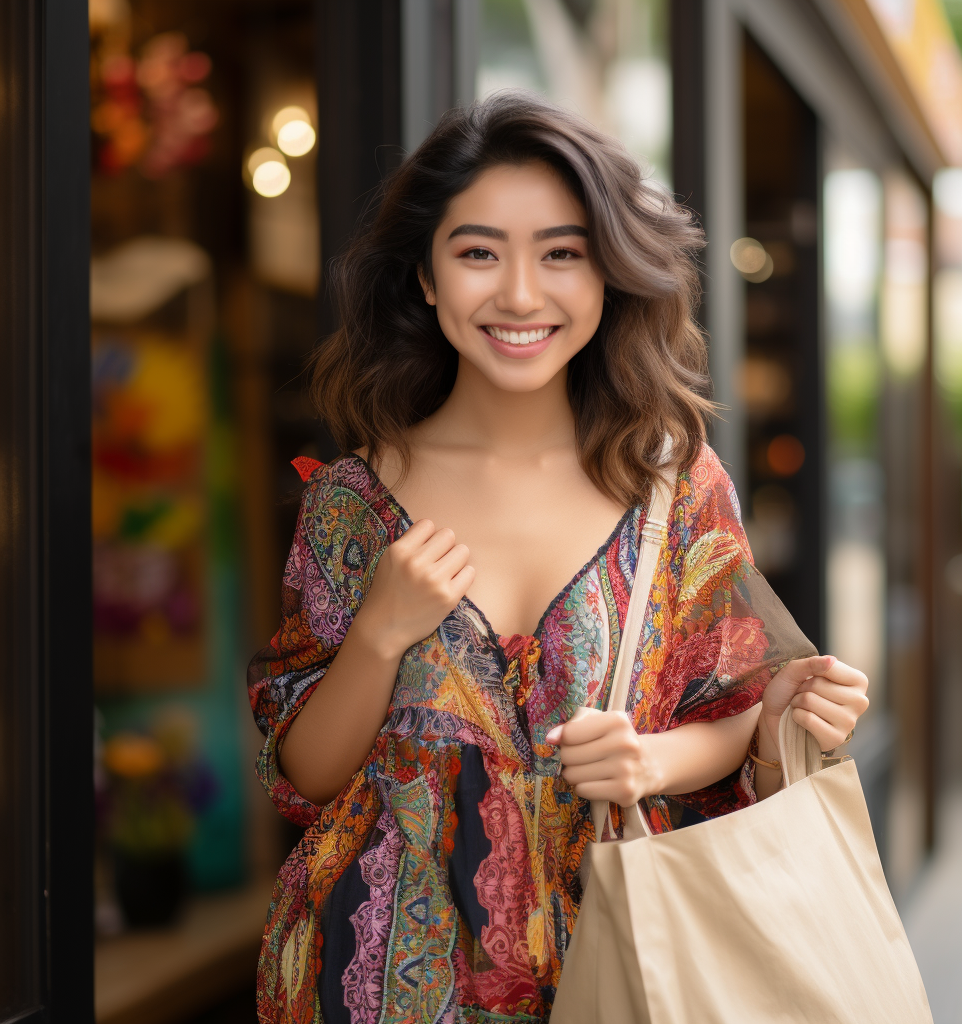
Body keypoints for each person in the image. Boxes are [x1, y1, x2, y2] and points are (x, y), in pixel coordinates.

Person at [247, 91, 869, 1024]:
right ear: (424, 275)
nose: (522, 295)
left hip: (627, 963)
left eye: (562, 254)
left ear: (608, 275)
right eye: (479, 252)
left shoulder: (673, 487)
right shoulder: (352, 500)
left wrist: (650, 763)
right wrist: (378, 631)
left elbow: (737, 713)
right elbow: (306, 776)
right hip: (378, 984)